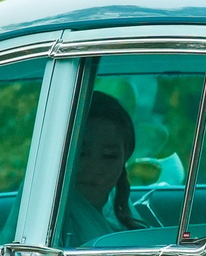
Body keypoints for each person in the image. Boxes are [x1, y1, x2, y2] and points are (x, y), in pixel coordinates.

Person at [59, 91, 148, 246]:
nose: (94, 167)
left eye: (109, 155)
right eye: (81, 153)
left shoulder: (116, 205)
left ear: (124, 157)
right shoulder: (52, 222)